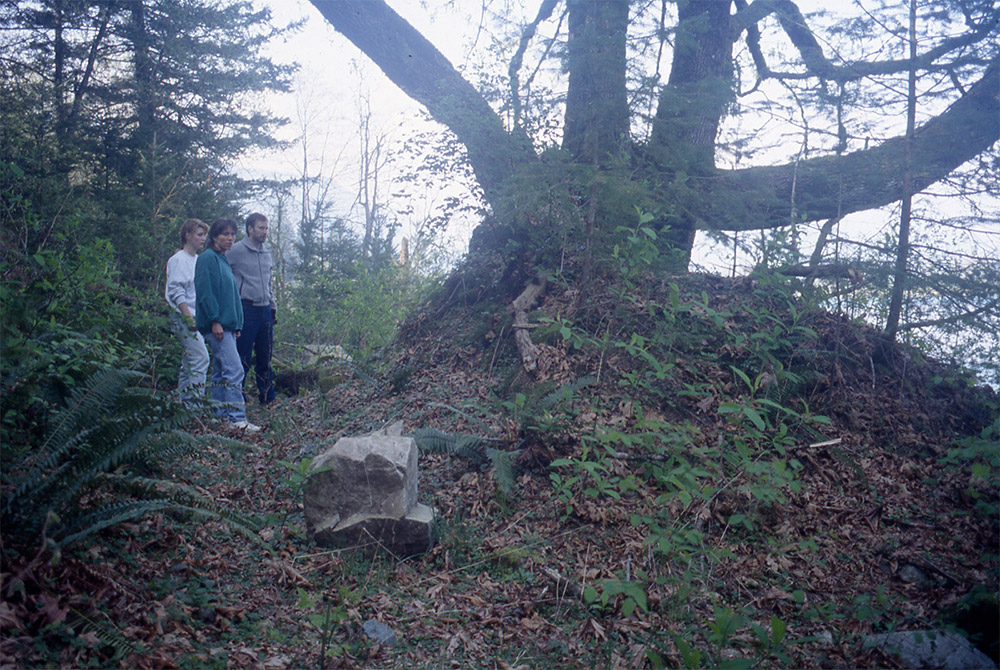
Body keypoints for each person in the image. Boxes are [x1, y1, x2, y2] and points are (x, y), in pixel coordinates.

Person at [195, 218, 261, 433]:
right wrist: (215, 320)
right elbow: (206, 293)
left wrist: (237, 324)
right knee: (235, 369)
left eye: (233, 234)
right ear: (214, 236)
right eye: (225, 234)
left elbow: (231, 294)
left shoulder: (222, 259)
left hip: (229, 326)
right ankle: (237, 419)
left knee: (221, 370)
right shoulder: (207, 259)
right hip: (217, 326)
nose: (230, 238)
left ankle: (219, 416)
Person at [227, 212, 276, 406]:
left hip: (266, 310)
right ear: (250, 229)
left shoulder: (266, 253)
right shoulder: (236, 250)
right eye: (261, 228)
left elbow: (269, 282)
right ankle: (237, 397)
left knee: (265, 355)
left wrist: (273, 306)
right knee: (243, 356)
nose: (264, 232)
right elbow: (224, 273)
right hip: (245, 308)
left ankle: (267, 398)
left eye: (266, 228)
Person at [164, 219, 210, 408]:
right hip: (184, 317)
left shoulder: (197, 260)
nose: (203, 239)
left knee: (189, 361)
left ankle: (182, 405)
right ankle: (193, 408)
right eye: (199, 235)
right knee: (201, 358)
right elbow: (176, 291)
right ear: (187, 235)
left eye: (204, 235)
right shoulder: (178, 259)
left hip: (196, 317)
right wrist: (187, 317)